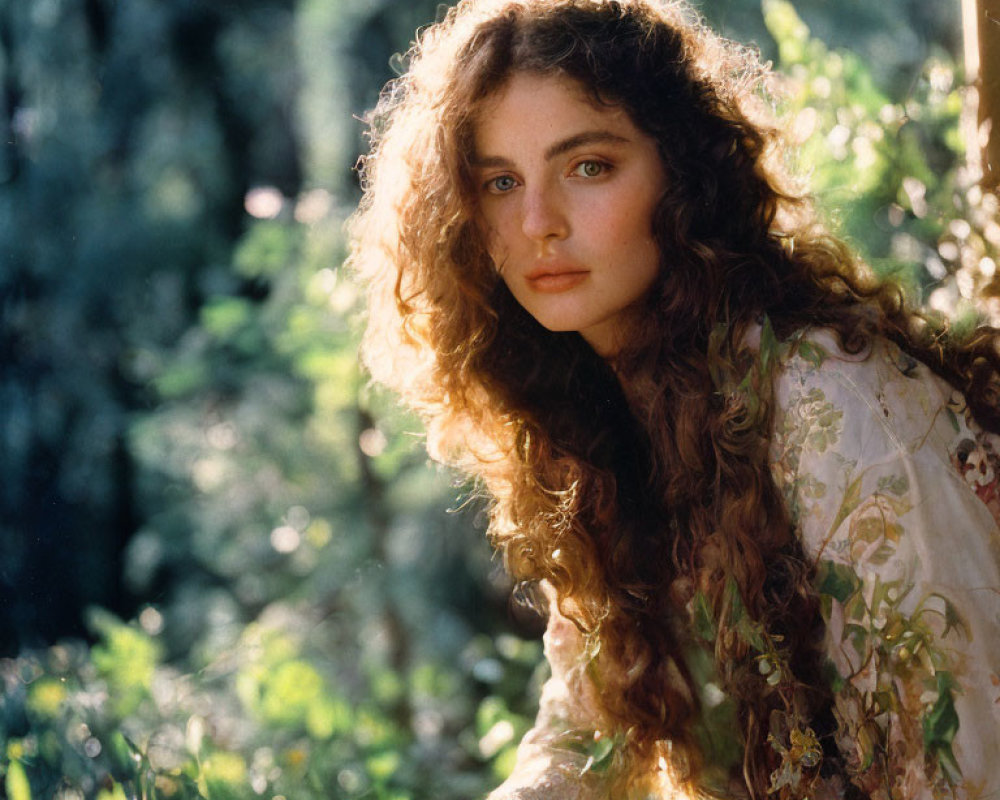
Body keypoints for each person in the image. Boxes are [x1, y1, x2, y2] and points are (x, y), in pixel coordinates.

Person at [348, 0, 1000, 797]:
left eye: (589, 167)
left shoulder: (836, 411)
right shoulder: (598, 415)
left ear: (684, 174)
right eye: (499, 181)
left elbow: (959, 769)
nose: (537, 223)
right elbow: (591, 732)